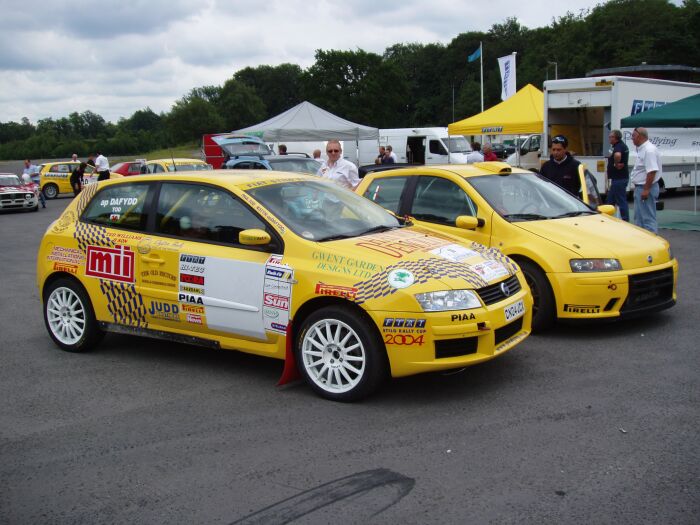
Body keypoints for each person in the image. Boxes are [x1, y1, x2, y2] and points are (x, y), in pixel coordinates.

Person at [630, 127, 662, 233]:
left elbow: (651, 171)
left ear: (640, 136)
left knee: (647, 219)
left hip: (645, 188)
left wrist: (646, 189)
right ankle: (642, 243)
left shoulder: (649, 150)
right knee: (639, 219)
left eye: (633, 136)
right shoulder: (644, 149)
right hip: (641, 188)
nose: (632, 138)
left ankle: (653, 244)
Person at [605, 129, 630, 221]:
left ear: (616, 138)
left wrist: (615, 163)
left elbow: (618, 155)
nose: (609, 138)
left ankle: (625, 220)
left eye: (611, 137)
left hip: (619, 178)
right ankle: (607, 217)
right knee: (610, 200)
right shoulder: (620, 145)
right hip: (618, 178)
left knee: (621, 200)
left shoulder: (619, 146)